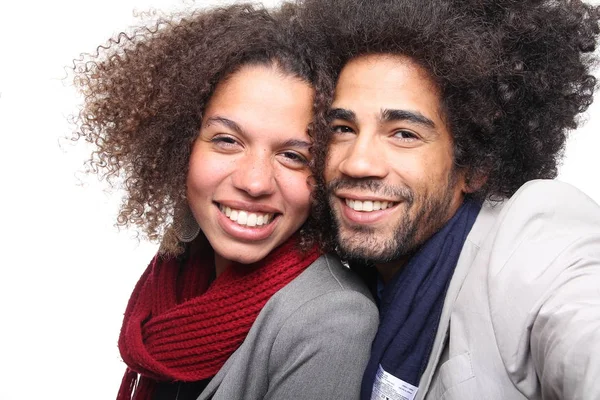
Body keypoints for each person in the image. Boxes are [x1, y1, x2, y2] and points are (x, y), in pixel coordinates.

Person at [71, 4, 378, 400]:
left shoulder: (331, 322)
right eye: (227, 141)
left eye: (294, 155)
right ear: (180, 146)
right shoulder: (179, 274)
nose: (254, 182)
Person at [295, 0, 600, 398]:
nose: (358, 162)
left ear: (473, 166)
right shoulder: (343, 286)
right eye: (342, 128)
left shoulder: (528, 238)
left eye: (404, 133)